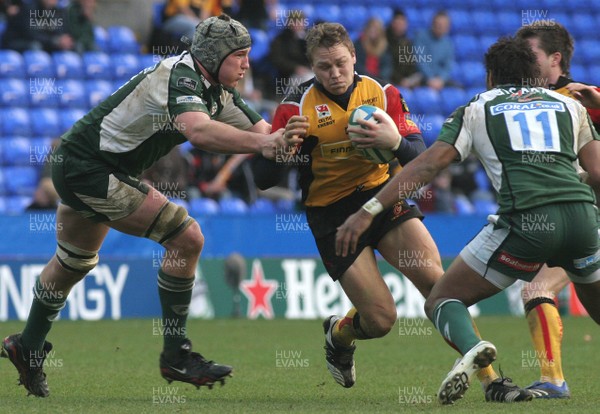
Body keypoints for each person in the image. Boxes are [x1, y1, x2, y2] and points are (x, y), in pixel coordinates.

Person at [0, 14, 283, 398]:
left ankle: (27, 346)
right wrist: (265, 145)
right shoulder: (182, 78)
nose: (247, 64)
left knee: (72, 264)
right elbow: (198, 130)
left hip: (89, 164)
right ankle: (175, 354)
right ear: (215, 57)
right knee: (187, 239)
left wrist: (299, 134)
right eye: (241, 56)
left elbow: (266, 133)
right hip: (90, 168)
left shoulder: (217, 90)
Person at [253, 22, 530, 403]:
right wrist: (282, 148)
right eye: (323, 67)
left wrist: (395, 141)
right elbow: (262, 179)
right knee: (381, 320)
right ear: (312, 68)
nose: (334, 74)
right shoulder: (295, 108)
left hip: (383, 199)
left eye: (340, 63)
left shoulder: (382, 95)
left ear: (354, 56)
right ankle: (339, 335)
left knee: (439, 285)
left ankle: (492, 381)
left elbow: (420, 157)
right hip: (332, 217)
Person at [335, 35, 600, 405]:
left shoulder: (478, 107)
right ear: (535, 74)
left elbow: (427, 164)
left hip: (526, 224)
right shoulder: (569, 106)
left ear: (490, 77)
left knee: (442, 298)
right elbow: (598, 172)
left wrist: (369, 210)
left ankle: (474, 347)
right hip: (583, 220)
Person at [515, 22, 600, 399]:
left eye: (530, 56)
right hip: (569, 218)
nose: (523, 63)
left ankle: (553, 381)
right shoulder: (520, 102)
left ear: (556, 59)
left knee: (537, 288)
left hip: (586, 218)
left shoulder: (581, 99)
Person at [1, 0, 74, 53]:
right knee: (36, 46)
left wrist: (62, 40)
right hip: (17, 42)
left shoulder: (58, 11)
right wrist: (54, 41)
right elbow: (32, 34)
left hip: (43, 42)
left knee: (71, 47)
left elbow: (61, 31)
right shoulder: (29, 8)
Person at [413, 10, 455, 90]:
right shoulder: (420, 37)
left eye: (443, 25)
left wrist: (441, 79)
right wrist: (430, 78)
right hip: (422, 77)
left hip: (440, 81)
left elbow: (448, 65)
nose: (440, 27)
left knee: (458, 89)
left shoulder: (448, 43)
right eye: (438, 24)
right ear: (432, 24)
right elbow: (420, 60)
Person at [385, 9, 421, 88]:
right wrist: (400, 80)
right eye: (398, 22)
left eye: (403, 23)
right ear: (392, 23)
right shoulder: (385, 41)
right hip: (390, 79)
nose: (400, 25)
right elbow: (387, 65)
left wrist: (410, 79)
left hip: (406, 80)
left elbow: (411, 64)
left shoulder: (407, 42)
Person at [354, 17, 392, 83]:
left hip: (381, 81)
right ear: (366, 29)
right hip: (361, 80)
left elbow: (387, 67)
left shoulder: (386, 47)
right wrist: (369, 77)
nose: (373, 31)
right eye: (371, 28)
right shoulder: (358, 45)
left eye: (376, 29)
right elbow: (357, 65)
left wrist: (379, 79)